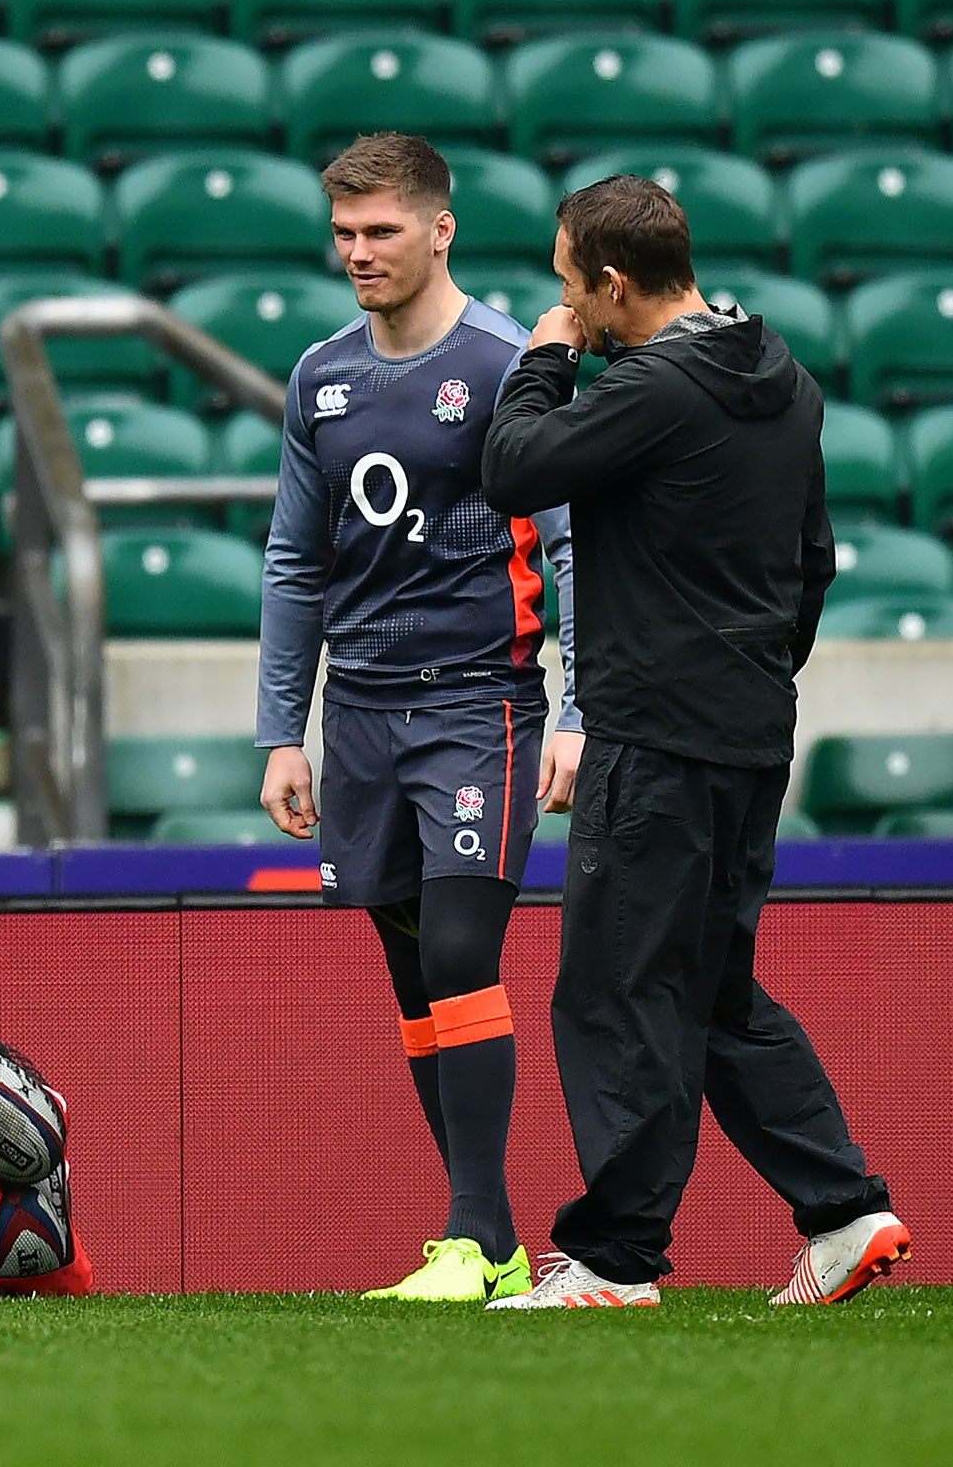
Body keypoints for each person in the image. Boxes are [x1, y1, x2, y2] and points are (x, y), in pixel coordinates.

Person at [478, 175, 909, 1310]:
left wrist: (542, 354)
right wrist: (753, 677)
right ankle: (842, 1211)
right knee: (711, 986)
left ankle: (615, 1259)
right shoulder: (788, 380)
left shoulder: (654, 386)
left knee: (617, 989)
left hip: (656, 737)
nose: (565, 304)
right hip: (748, 731)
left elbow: (513, 467)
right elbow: (811, 565)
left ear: (613, 284)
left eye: (572, 288)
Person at [256, 133, 582, 1303]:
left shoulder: (502, 366)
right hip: (359, 714)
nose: (357, 253)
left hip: (477, 703)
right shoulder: (319, 376)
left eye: (380, 231)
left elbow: (565, 545)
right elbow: (296, 562)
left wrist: (575, 708)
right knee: (408, 970)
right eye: (342, 233)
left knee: (456, 949)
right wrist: (280, 731)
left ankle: (474, 1231)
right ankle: (483, 1244)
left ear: (439, 230)